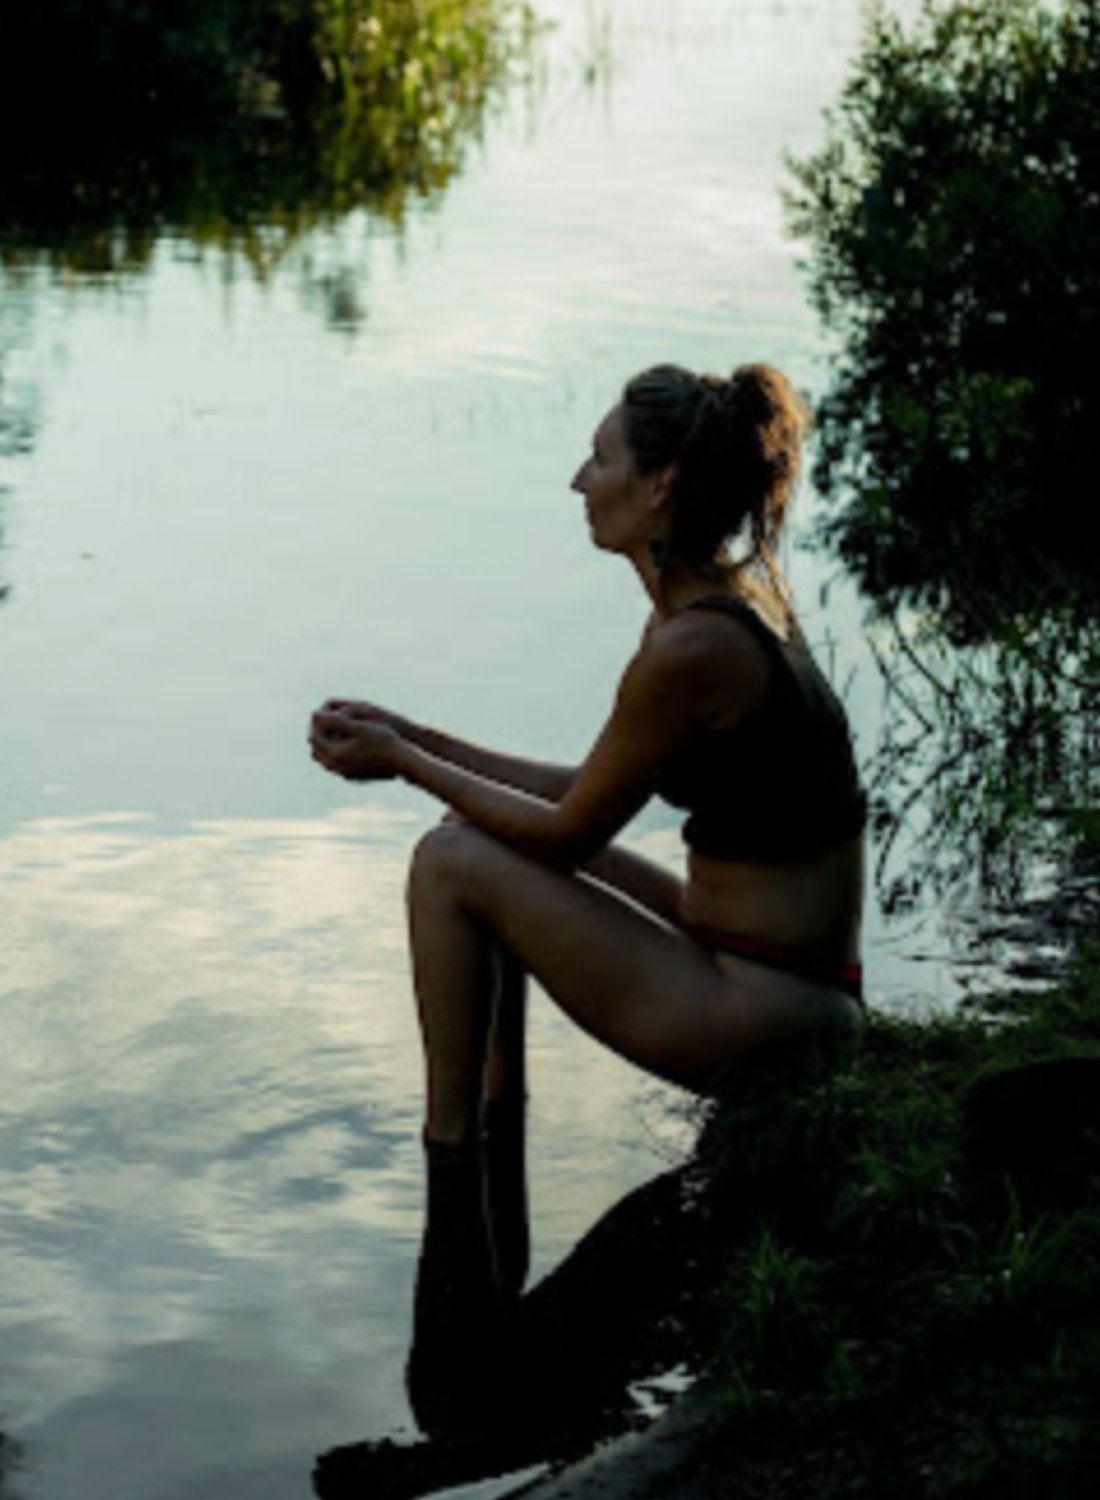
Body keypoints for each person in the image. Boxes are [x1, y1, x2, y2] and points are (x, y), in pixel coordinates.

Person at [306, 361, 867, 1442]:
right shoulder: (718, 606)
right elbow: (588, 788)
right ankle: (491, 1135)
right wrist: (416, 736)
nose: (578, 478)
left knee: (450, 864)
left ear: (658, 489)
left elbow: (568, 832)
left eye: (602, 458)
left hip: (770, 1011)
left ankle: (453, 1156)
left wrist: (403, 766)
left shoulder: (693, 645)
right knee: (476, 839)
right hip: (770, 968)